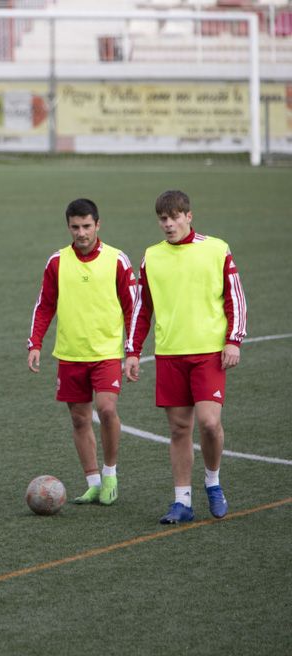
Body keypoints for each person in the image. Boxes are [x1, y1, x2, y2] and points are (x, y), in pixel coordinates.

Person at [125, 190, 247, 524]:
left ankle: (213, 482)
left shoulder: (216, 249)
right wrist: (132, 351)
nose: (168, 224)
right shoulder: (152, 257)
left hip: (208, 352)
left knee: (209, 423)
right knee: (180, 429)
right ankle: (182, 502)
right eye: (163, 219)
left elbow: (235, 298)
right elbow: (143, 307)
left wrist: (233, 340)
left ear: (189, 216)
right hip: (170, 354)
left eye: (175, 217)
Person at [27, 199, 135, 506]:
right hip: (71, 354)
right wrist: (35, 343)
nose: (81, 233)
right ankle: (92, 482)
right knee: (79, 419)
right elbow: (44, 305)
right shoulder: (57, 262)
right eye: (75, 227)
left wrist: (131, 350)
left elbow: (133, 308)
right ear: (69, 227)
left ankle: (111, 473)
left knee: (107, 409)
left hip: (106, 353)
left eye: (87, 226)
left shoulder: (117, 260)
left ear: (98, 225)